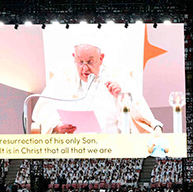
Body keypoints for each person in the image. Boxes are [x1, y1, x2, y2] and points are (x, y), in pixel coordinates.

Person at [31, 40, 162, 135]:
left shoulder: (119, 76)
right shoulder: (63, 77)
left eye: (90, 62)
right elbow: (43, 113)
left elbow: (141, 115)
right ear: (74, 58)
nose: (84, 68)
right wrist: (56, 126)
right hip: (72, 149)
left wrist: (121, 97)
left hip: (111, 149)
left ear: (101, 58)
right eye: (80, 62)